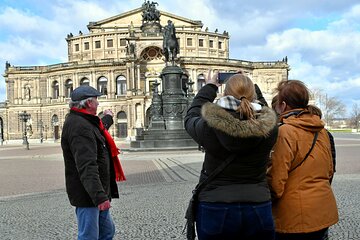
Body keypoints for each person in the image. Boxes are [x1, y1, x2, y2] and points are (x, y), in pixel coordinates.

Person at [184, 71, 278, 239]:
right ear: (254, 95)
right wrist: (249, 85)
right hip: (257, 203)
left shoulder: (209, 126)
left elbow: (191, 115)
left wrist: (210, 86)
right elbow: (265, 110)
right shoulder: (270, 128)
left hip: (215, 204)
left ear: (225, 94)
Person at [267, 80, 338, 240]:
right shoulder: (323, 132)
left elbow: (276, 182)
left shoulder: (285, 132)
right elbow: (328, 171)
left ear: (283, 105)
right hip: (322, 210)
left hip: (294, 216)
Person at [61, 85, 126, 240]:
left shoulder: (85, 121)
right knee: (88, 236)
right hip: (88, 196)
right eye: (96, 100)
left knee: (107, 232)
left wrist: (108, 117)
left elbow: (99, 128)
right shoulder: (79, 127)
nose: (98, 103)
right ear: (89, 103)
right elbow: (86, 166)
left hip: (96, 192)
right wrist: (99, 197)